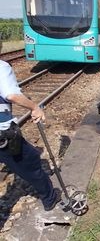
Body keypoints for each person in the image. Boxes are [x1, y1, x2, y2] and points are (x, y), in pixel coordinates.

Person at [0, 60, 61, 211]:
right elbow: (11, 95)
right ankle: (50, 198)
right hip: (3, 135)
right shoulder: (2, 66)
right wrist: (34, 107)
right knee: (31, 160)